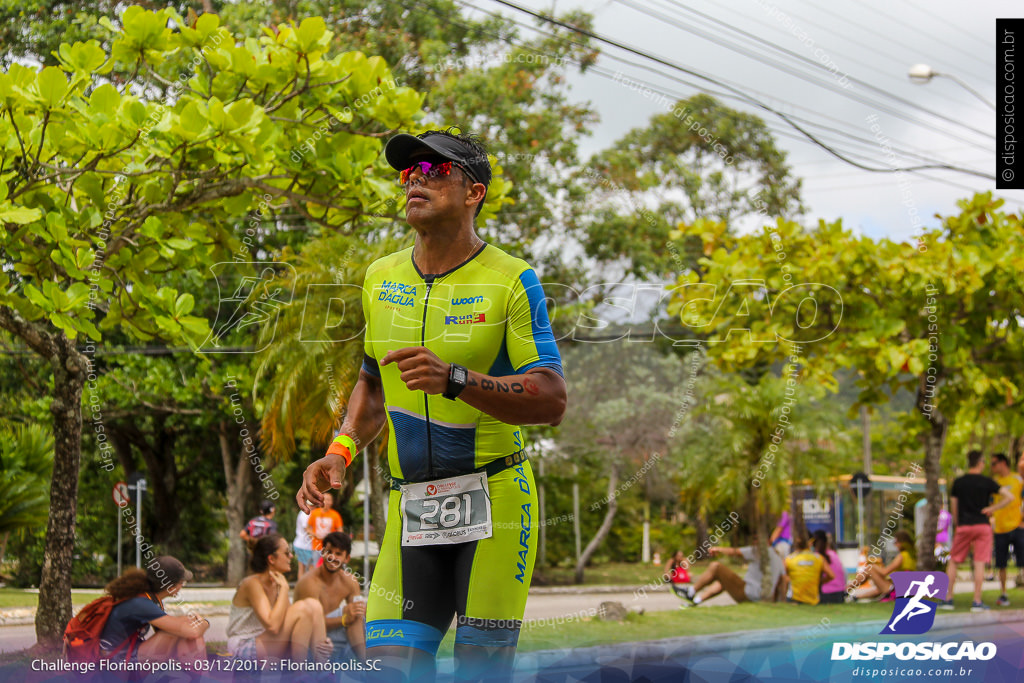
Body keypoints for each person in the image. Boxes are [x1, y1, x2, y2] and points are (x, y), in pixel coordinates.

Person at [296, 128, 566, 681]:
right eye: (408, 173)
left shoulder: (512, 281)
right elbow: (372, 385)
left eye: (436, 171)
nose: (417, 181)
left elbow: (552, 398)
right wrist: (340, 451)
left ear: (475, 193)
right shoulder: (380, 277)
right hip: (412, 509)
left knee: (479, 671)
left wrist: (458, 381)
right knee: (391, 668)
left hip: (495, 505)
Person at [227, 533, 332, 661]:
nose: (291, 556)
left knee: (313, 604)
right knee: (303, 609)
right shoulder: (252, 583)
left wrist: (320, 643)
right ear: (271, 559)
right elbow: (273, 626)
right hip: (243, 650)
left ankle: (321, 668)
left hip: (267, 645)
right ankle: (300, 674)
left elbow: (293, 622)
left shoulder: (277, 583)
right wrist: (285, 589)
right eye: (287, 553)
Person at [96, 556, 208, 662]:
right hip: (115, 662)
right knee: (179, 633)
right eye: (181, 582)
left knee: (181, 631)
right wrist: (204, 623)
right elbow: (192, 632)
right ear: (170, 586)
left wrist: (189, 624)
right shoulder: (141, 603)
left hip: (122, 656)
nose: (182, 586)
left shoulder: (147, 599)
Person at [941, 450, 1014, 611]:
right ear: (980, 462)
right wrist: (992, 508)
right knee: (979, 562)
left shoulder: (959, 482)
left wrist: (959, 524)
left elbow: (954, 506)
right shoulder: (987, 481)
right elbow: (1010, 497)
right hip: (982, 526)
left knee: (954, 561)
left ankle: (948, 599)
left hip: (964, 525)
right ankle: (977, 601)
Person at [294, 531, 366, 661]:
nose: (332, 557)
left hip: (334, 637)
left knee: (358, 613)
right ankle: (366, 664)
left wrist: (355, 613)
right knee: (351, 612)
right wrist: (344, 618)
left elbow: (356, 616)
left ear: (347, 558)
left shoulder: (350, 581)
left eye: (338, 554)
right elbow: (311, 626)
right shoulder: (309, 582)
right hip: (310, 642)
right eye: (329, 552)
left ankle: (366, 664)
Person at [680, 543, 785, 605]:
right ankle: (697, 601)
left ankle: (691, 591)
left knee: (716, 567)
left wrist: (718, 549)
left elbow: (735, 552)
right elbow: (782, 582)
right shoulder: (779, 561)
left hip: (747, 594)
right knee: (724, 582)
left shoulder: (761, 551)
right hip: (760, 598)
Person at [988, 452, 1024, 606]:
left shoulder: (1018, 479)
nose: (992, 467)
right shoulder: (995, 483)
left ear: (1003, 462)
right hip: (1001, 528)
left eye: (994, 463)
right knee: (1001, 563)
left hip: (1017, 526)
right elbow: (990, 504)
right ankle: (1004, 594)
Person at [782, 533, 834, 605]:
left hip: (793, 599)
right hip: (813, 600)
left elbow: (783, 578)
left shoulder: (789, 559)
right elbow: (831, 575)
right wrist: (819, 581)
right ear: (810, 543)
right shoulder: (818, 558)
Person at [812, 530, 846, 604]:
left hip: (827, 594)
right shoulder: (833, 554)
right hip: (840, 594)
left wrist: (818, 582)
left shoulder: (817, 557)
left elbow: (831, 576)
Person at [293, 506, 316, 579]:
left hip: (304, 545)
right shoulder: (305, 513)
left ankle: (301, 589)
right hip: (304, 546)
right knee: (311, 569)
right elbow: (307, 530)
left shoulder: (312, 513)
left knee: (302, 568)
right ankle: (308, 589)